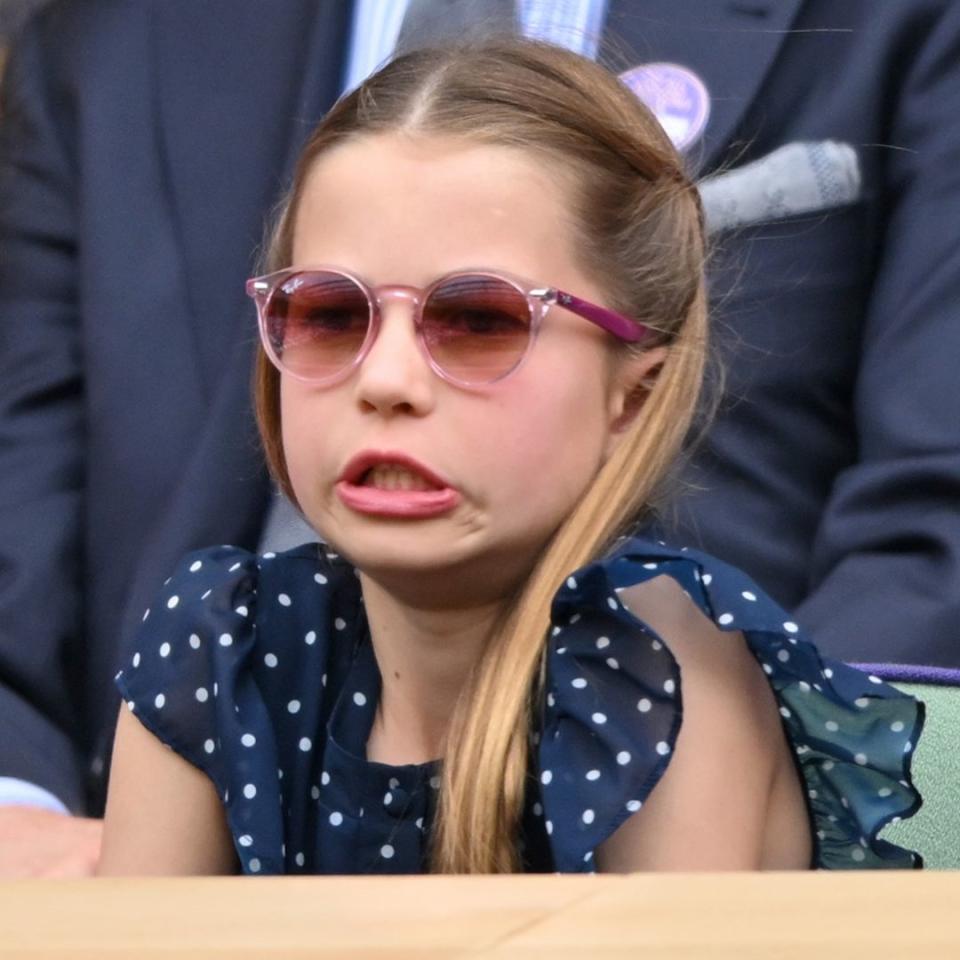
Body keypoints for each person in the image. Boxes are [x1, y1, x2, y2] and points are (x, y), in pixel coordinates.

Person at [4, 0, 959, 876]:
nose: (384, 382)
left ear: (637, 393)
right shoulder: (215, 644)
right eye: (329, 314)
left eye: (481, 322)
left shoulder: (663, 666)